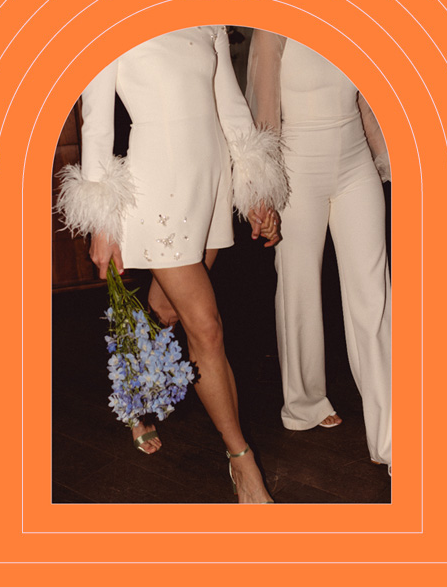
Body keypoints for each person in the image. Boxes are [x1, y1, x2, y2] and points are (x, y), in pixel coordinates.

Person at [55, 26, 287, 502]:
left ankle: (135, 402)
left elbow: (231, 110)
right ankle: (241, 460)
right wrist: (101, 219)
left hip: (211, 183)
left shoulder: (207, 18)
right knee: (207, 327)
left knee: (167, 311)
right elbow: (97, 123)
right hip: (157, 188)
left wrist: (257, 191)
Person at [245, 29, 392, 473]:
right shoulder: (271, 27)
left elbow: (368, 101)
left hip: (356, 165)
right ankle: (304, 403)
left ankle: (391, 436)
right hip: (297, 170)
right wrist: (262, 192)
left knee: (374, 299)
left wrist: (391, 159)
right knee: (300, 290)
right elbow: (264, 116)